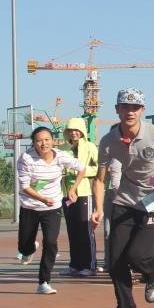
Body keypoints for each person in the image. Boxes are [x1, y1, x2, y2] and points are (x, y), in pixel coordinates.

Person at [91, 88, 154, 308]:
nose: (130, 112)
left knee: (138, 255)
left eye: (135, 108)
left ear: (142, 110)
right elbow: (100, 180)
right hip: (125, 201)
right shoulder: (108, 141)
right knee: (115, 260)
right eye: (125, 107)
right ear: (117, 110)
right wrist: (98, 209)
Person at [16, 127, 85, 294]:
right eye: (39, 140)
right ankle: (29, 248)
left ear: (53, 141)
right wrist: (42, 199)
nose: (44, 143)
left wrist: (73, 189)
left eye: (47, 139)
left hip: (52, 208)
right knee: (24, 247)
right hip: (30, 206)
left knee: (51, 242)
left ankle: (44, 282)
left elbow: (81, 168)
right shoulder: (26, 158)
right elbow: (24, 187)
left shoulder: (61, 156)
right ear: (34, 143)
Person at [58, 118, 98, 277]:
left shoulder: (90, 147)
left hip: (84, 193)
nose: (73, 133)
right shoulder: (62, 148)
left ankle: (90, 265)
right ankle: (74, 265)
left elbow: (99, 168)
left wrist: (82, 171)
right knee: (72, 230)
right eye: (70, 130)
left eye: (77, 130)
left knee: (85, 229)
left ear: (82, 131)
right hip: (66, 194)